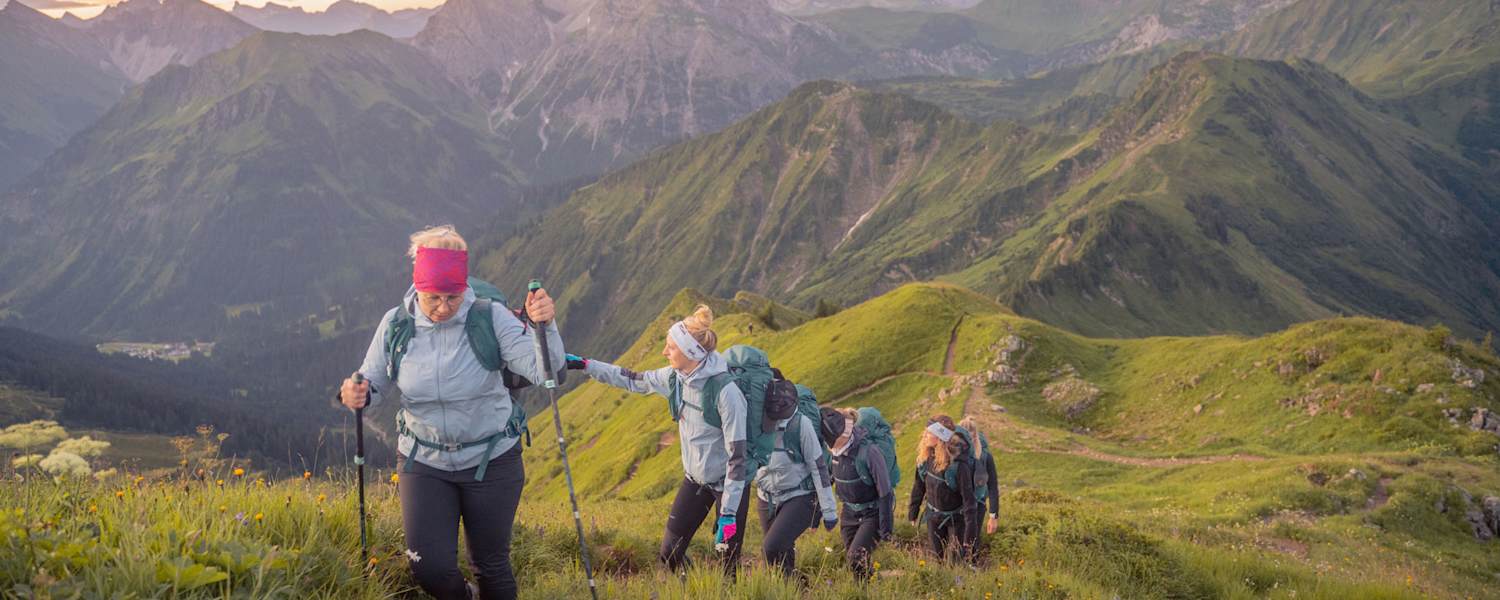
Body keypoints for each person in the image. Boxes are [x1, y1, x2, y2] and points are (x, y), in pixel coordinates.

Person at [338, 225, 564, 600]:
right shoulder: (396, 325)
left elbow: (547, 373)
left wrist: (546, 326)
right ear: (417, 287)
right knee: (429, 568)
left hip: (492, 459)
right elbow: (373, 383)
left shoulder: (491, 318)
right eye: (433, 298)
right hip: (422, 460)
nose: (443, 307)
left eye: (453, 297)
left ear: (464, 288)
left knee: (491, 565)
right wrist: (357, 393)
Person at [564, 305, 751, 576]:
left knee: (728, 564)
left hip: (730, 488)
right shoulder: (674, 378)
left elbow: (738, 458)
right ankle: (693, 588)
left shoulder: (726, 393)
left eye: (670, 347)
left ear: (690, 352)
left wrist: (729, 513)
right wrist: (586, 365)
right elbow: (631, 379)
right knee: (669, 554)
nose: (665, 352)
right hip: (695, 481)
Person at [754, 402, 837, 580]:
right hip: (766, 497)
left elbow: (818, 467)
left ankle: (796, 585)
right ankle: (794, 590)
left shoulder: (801, 424)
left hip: (799, 495)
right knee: (781, 553)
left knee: (771, 547)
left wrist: (829, 510)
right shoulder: (752, 420)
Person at [819, 407, 895, 580]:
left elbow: (885, 491)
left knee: (856, 557)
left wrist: (886, 529)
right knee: (854, 560)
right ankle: (869, 587)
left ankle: (871, 586)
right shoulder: (834, 452)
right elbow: (829, 479)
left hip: (872, 513)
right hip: (849, 513)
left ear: (843, 433)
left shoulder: (870, 452)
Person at [907, 415, 979, 563]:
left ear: (940, 436)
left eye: (929, 432)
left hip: (957, 520)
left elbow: (969, 501)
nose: (925, 435)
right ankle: (940, 584)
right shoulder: (925, 458)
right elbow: (919, 486)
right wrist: (913, 511)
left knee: (956, 562)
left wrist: (969, 535)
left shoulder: (958, 465)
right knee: (937, 559)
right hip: (933, 516)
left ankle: (959, 585)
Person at [958, 416, 1000, 543]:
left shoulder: (985, 457)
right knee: (958, 543)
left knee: (971, 542)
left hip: (976, 505)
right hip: (956, 506)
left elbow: (992, 486)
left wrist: (993, 516)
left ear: (975, 436)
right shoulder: (951, 455)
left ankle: (972, 562)